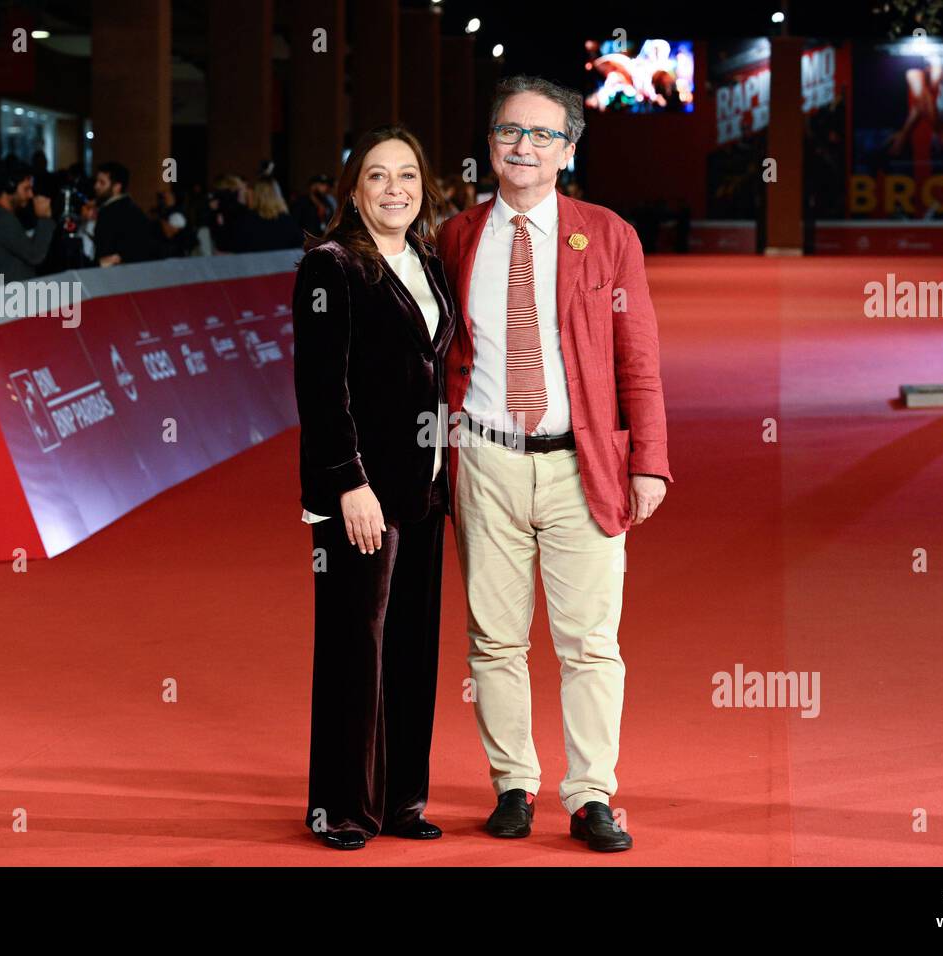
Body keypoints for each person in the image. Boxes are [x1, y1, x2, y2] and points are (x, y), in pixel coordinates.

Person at [436, 75, 671, 852]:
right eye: (509, 131)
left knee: (590, 642)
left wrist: (650, 460)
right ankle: (513, 786)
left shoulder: (608, 236)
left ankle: (591, 794)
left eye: (542, 135)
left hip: (583, 466)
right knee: (495, 641)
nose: (523, 147)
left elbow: (638, 358)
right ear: (490, 143)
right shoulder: (458, 236)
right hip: (486, 463)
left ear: (569, 149)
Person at [292, 125, 455, 850]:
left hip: (422, 487)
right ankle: (341, 807)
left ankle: (400, 802)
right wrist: (348, 483)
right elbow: (321, 391)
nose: (396, 190)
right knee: (355, 646)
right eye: (379, 177)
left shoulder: (427, 260)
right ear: (353, 189)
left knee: (413, 646)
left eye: (408, 177)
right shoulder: (329, 266)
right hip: (362, 491)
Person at [0, 165, 54, 283]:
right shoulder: (1, 220)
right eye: (26, 189)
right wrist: (44, 218)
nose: (31, 195)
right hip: (7, 298)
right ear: (10, 187)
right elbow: (35, 255)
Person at [91, 161, 162, 266]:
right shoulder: (131, 207)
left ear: (117, 187)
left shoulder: (111, 212)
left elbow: (106, 252)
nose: (96, 186)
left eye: (102, 183)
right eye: (97, 181)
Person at [247, 174, 303, 251]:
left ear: (255, 194)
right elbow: (300, 247)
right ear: (278, 195)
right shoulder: (287, 222)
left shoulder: (247, 221)